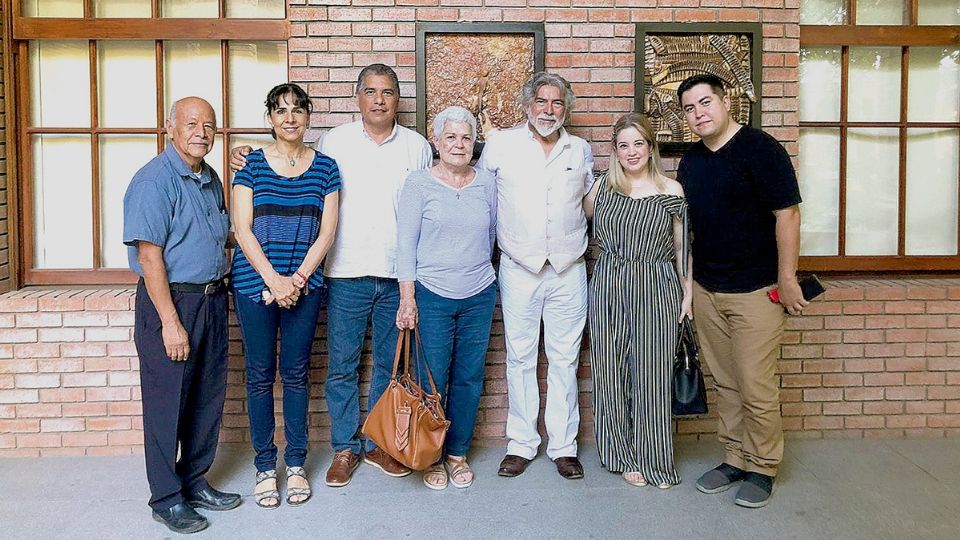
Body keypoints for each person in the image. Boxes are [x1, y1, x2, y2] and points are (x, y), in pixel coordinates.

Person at [231, 64, 432, 487]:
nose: (380, 99)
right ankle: (345, 447)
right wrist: (245, 153)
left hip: (397, 275)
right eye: (371, 91)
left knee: (386, 365)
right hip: (344, 272)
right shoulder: (334, 142)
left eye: (389, 92)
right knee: (341, 365)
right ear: (358, 97)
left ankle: (377, 443)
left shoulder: (417, 147)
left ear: (398, 99)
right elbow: (287, 159)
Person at [676, 74, 804, 508]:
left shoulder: (761, 149)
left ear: (725, 100)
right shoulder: (691, 162)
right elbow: (688, 232)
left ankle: (763, 465)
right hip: (709, 289)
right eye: (690, 109)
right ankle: (734, 457)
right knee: (727, 383)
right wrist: (689, 288)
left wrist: (787, 279)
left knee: (755, 383)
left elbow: (787, 214)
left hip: (758, 290)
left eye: (705, 102)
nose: (699, 113)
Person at [122, 97, 240, 534]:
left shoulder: (208, 178)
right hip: (170, 303)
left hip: (211, 301)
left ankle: (194, 480)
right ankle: (167, 498)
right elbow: (150, 257)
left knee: (206, 398)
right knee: (166, 403)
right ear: (169, 126)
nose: (202, 132)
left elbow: (219, 235)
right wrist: (170, 322)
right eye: (192, 123)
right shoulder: (155, 181)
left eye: (209, 125)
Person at [478, 72, 595, 480]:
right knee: (521, 358)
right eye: (542, 102)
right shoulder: (500, 145)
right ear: (528, 105)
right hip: (518, 268)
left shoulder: (580, 149)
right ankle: (522, 444)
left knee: (565, 360)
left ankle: (563, 447)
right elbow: (483, 203)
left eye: (557, 103)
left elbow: (590, 204)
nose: (549, 110)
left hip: (569, 269)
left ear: (567, 108)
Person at [231, 83, 341, 508]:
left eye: (297, 109)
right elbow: (243, 229)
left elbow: (327, 232)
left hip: (305, 286)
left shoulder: (327, 168)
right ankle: (264, 467)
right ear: (270, 119)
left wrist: (295, 280)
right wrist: (274, 281)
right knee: (259, 376)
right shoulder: (251, 166)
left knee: (295, 376)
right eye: (281, 110)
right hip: (253, 285)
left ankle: (295, 464)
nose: (289, 117)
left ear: (308, 116)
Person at [583, 113, 692, 490]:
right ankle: (622, 453)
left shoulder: (671, 190)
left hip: (658, 284)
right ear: (614, 150)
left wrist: (687, 293)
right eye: (624, 145)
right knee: (611, 371)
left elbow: (682, 249)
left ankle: (655, 458)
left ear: (650, 147)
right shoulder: (602, 189)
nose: (632, 152)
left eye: (639, 144)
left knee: (653, 373)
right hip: (610, 283)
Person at [395, 106, 498, 490]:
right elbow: (405, 246)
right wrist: (408, 299)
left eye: (466, 137)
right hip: (432, 295)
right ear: (436, 142)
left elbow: (490, 239)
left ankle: (457, 453)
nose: (458, 144)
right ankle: (431, 455)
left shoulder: (486, 183)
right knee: (432, 379)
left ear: (474, 143)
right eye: (450, 137)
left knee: (470, 377)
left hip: (479, 295)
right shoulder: (419, 184)